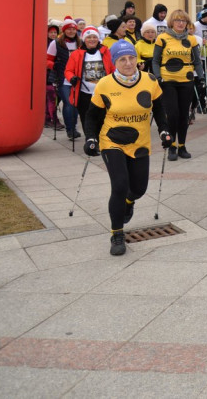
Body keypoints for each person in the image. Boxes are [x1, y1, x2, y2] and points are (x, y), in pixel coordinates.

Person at [83, 40, 172, 255]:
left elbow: (159, 109)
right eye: (122, 59)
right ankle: (117, 234)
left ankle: (129, 202)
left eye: (131, 58)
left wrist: (164, 130)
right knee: (120, 184)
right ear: (114, 62)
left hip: (140, 142)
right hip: (112, 141)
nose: (128, 63)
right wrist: (91, 139)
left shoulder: (150, 80)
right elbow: (92, 117)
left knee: (139, 189)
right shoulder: (104, 84)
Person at [152, 10, 204, 161]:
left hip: (186, 80)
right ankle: (171, 145)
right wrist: (157, 76)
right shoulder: (162, 38)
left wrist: (200, 78)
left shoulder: (191, 39)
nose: (181, 23)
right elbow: (155, 60)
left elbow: (197, 61)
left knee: (183, 115)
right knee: (172, 114)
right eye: (177, 20)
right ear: (171, 22)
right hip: (168, 80)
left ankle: (182, 145)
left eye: (183, 21)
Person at [65, 26, 114, 133]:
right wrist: (72, 78)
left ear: (98, 39)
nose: (92, 39)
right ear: (84, 39)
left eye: (94, 37)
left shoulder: (105, 52)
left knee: (102, 119)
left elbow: (112, 68)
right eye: (89, 37)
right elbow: (68, 71)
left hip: (102, 92)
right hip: (84, 94)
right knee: (86, 119)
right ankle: (90, 141)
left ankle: (101, 140)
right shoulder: (76, 54)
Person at [50, 17, 82, 140]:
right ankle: (70, 130)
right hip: (63, 78)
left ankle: (73, 127)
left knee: (76, 104)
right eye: (68, 29)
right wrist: (54, 65)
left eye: (73, 29)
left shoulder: (81, 43)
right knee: (69, 103)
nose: (71, 31)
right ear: (64, 30)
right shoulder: (56, 43)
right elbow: (47, 60)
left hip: (77, 78)